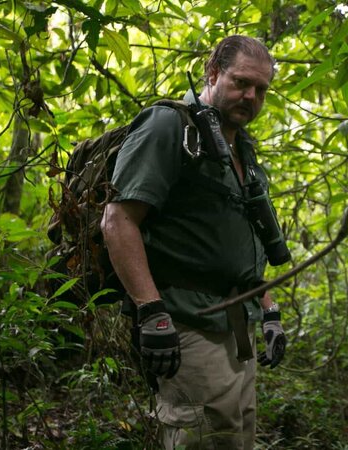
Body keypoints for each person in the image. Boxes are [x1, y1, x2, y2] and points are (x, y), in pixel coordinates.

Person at [101, 35, 288, 449]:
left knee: (235, 437)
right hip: (187, 322)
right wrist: (152, 312)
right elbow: (118, 220)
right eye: (241, 82)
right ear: (213, 73)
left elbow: (239, 244)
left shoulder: (241, 148)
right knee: (201, 435)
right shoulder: (170, 126)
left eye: (261, 90)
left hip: (236, 329)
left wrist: (269, 311)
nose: (251, 96)